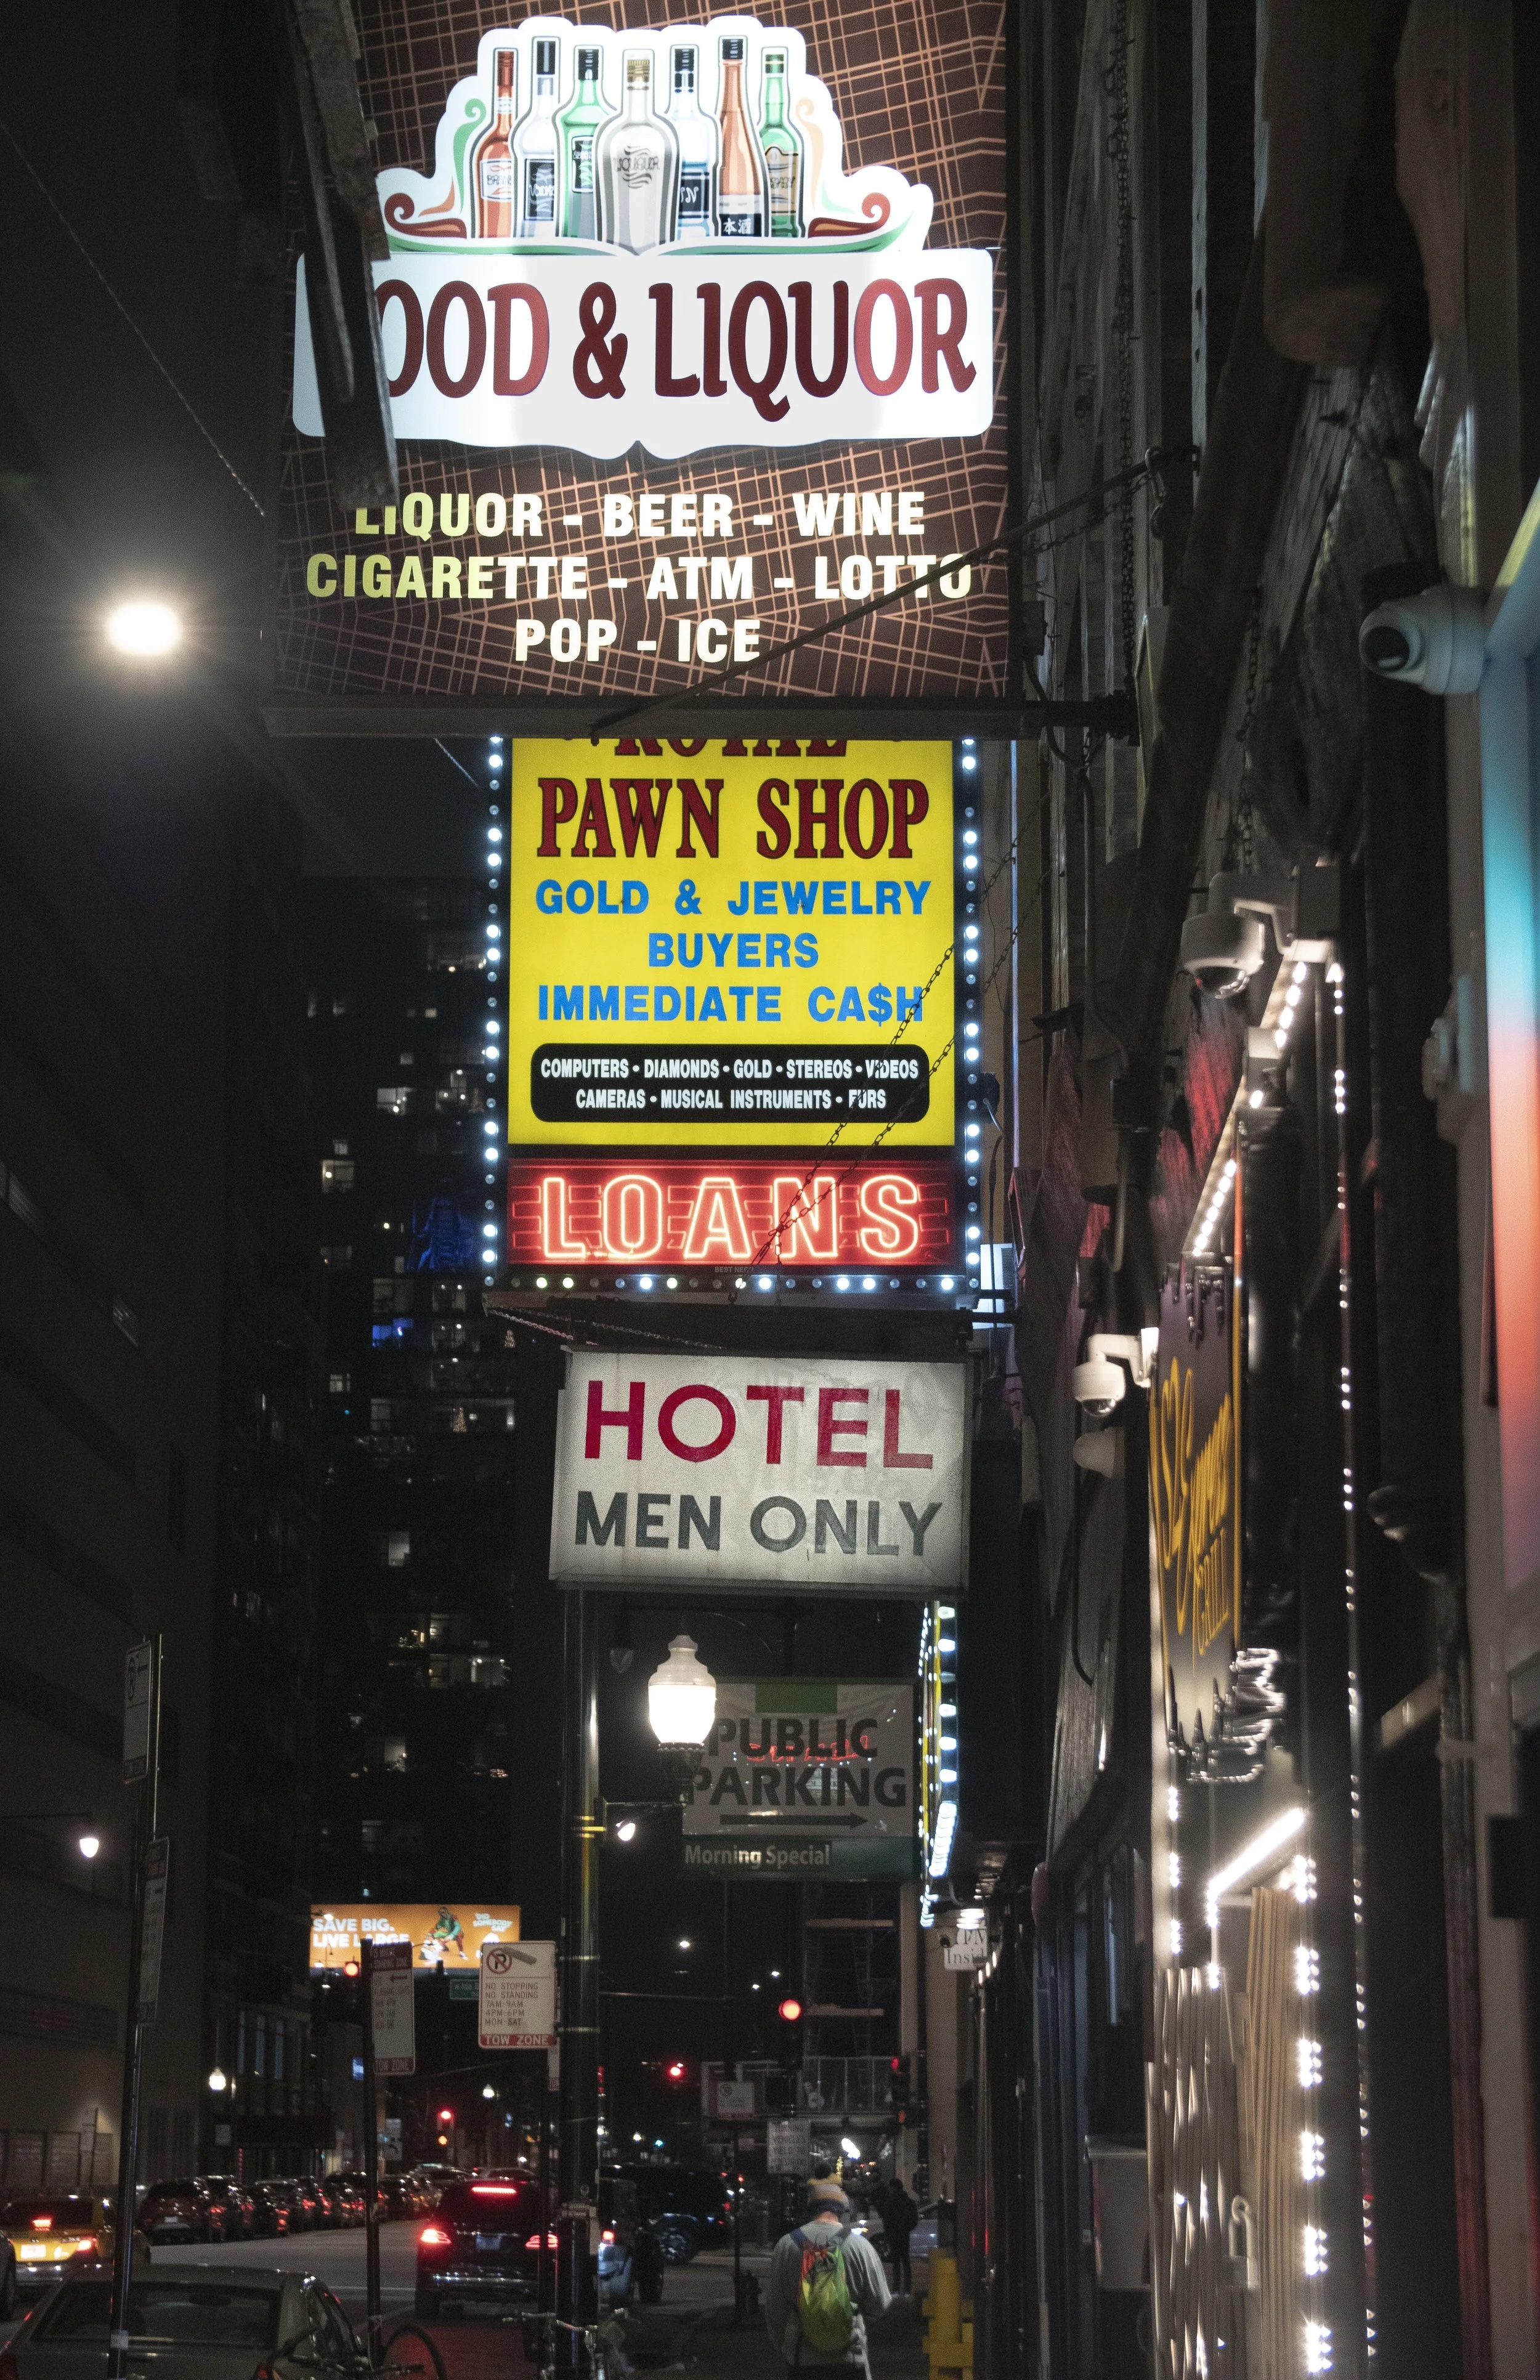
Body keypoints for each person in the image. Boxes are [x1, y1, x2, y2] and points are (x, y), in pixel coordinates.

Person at [766, 2178, 893, 2376]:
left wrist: (786, 2345)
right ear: (842, 2210)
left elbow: (775, 2310)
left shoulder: (786, 2246)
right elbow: (881, 2303)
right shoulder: (860, 2246)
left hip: (801, 2360)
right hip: (850, 2360)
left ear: (810, 2209)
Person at [881, 2180, 918, 2295]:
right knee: (906, 2262)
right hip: (904, 2235)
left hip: (894, 2235)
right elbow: (914, 2220)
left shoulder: (890, 2202)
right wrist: (906, 2229)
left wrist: (888, 2233)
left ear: (893, 2188)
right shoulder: (909, 2202)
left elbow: (886, 2220)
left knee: (896, 2263)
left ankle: (896, 2288)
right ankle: (907, 2289)